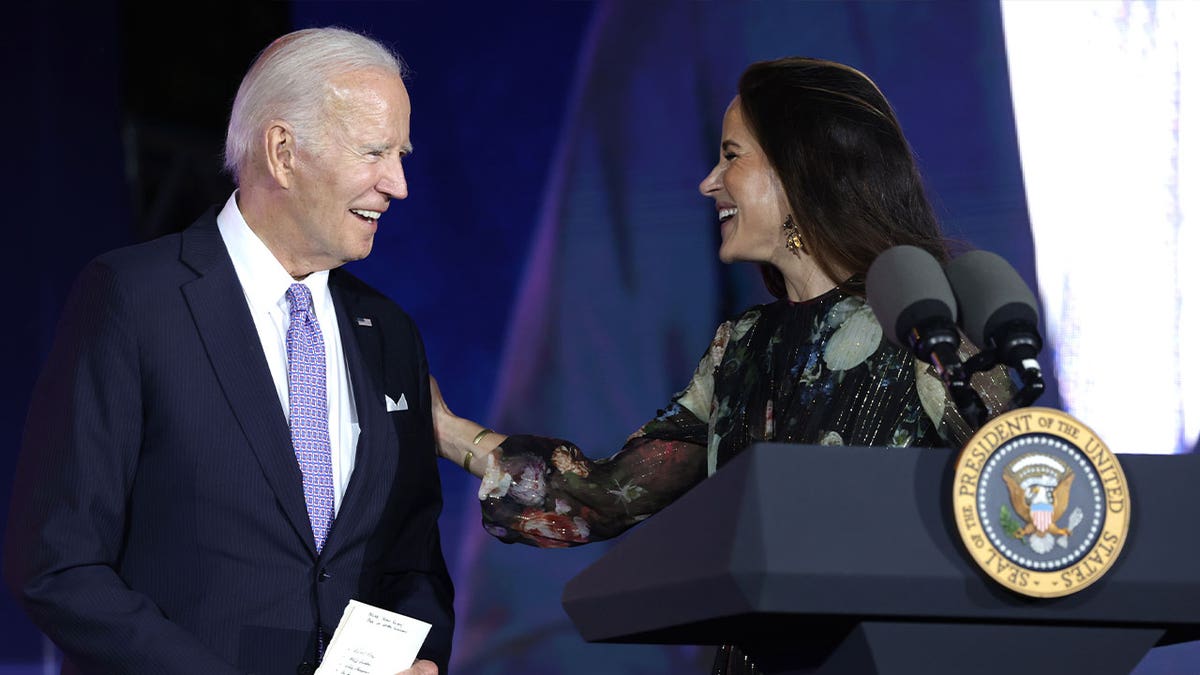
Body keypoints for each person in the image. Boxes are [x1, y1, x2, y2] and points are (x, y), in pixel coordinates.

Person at [430, 57, 1013, 673]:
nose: (709, 182)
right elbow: (600, 497)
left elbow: (1016, 507)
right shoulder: (742, 346)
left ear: (800, 170)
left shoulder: (925, 326)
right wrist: (443, 430)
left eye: (732, 156)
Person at [4, 27, 451, 675]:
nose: (399, 184)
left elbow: (414, 563)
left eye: (401, 153)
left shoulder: (391, 333)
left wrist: (421, 660)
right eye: (375, 151)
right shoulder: (135, 301)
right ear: (282, 151)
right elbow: (57, 564)